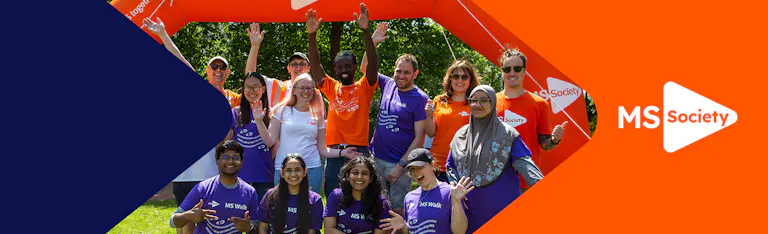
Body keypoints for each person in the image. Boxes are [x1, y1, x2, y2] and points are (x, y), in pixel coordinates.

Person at [143, 17, 242, 234]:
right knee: (185, 221)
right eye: (214, 66)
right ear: (207, 71)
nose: (218, 70)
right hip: (187, 172)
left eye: (222, 67)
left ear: (227, 73)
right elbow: (180, 60)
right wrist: (163, 34)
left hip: (212, 171)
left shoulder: (233, 99)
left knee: (210, 221)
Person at [446, 85, 544, 233]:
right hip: (469, 210)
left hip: (501, 206)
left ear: (493, 104)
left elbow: (525, 164)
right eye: (473, 100)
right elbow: (450, 165)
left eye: (484, 100)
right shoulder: (460, 135)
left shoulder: (507, 134)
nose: (477, 105)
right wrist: (456, 189)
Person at [305, 3, 380, 197]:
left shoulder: (365, 86)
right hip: (335, 153)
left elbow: (373, 62)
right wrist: (311, 35)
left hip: (359, 150)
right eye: (339, 67)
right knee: (332, 194)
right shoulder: (331, 87)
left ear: (355, 67)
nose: (343, 70)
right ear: (335, 70)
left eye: (348, 66)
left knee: (361, 194)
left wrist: (366, 31)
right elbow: (315, 63)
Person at [258, 73, 362, 194]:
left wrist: (343, 152)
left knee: (310, 209)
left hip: (311, 168)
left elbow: (322, 149)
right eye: (302, 88)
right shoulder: (281, 110)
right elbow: (269, 140)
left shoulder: (317, 115)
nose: (306, 91)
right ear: (294, 90)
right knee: (282, 208)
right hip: (285, 168)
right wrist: (259, 121)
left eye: (309, 88)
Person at [495, 47, 567, 188]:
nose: (512, 73)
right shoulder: (491, 102)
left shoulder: (539, 103)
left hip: (527, 182)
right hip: (496, 181)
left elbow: (545, 144)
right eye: (507, 69)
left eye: (517, 68)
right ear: (502, 71)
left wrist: (554, 139)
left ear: (524, 71)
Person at [370, 53, 429, 216]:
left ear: (415, 74)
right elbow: (365, 69)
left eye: (406, 72)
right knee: (377, 206)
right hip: (376, 158)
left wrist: (400, 165)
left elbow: (419, 137)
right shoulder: (388, 83)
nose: (401, 76)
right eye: (398, 71)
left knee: (397, 210)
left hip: (399, 164)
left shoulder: (420, 99)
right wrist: (372, 42)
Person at [169, 140, 260, 234]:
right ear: (217, 161)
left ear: (242, 162)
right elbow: (172, 221)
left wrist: (249, 228)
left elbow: (256, 228)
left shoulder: (250, 192)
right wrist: (187, 216)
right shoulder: (202, 188)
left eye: (235, 157)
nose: (230, 161)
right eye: (225, 157)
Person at [378, 148, 473, 234]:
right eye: (412, 169)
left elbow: (460, 231)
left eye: (419, 167)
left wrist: (456, 201)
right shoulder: (409, 197)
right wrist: (403, 225)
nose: (415, 172)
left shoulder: (450, 192)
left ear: (432, 165)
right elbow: (411, 229)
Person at [424, 60, 480, 182]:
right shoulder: (439, 100)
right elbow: (430, 133)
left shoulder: (476, 103)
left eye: (464, 77)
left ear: (471, 80)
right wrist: (429, 116)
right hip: (438, 164)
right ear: (450, 79)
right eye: (455, 76)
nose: (459, 80)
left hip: (465, 166)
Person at [228, 72, 275, 198]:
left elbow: (272, 145)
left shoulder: (272, 114)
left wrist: (259, 119)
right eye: (247, 87)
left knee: (263, 216)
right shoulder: (235, 113)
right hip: (239, 176)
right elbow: (226, 143)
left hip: (264, 176)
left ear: (263, 89)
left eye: (256, 87)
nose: (251, 91)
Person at [243, 23, 312, 107]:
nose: (298, 68)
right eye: (294, 64)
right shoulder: (276, 86)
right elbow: (250, 77)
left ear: (308, 68)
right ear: (288, 68)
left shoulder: (313, 93)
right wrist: (255, 46)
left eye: (302, 64)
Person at [256, 156, 324, 234]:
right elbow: (263, 227)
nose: (293, 174)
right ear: (281, 173)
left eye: (298, 170)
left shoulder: (315, 199)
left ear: (305, 172)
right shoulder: (270, 195)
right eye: (288, 170)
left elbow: (311, 232)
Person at [323, 157, 392, 234]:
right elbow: (329, 230)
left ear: (371, 178)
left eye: (364, 173)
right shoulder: (336, 196)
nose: (359, 177)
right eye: (355, 173)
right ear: (347, 176)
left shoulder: (381, 203)